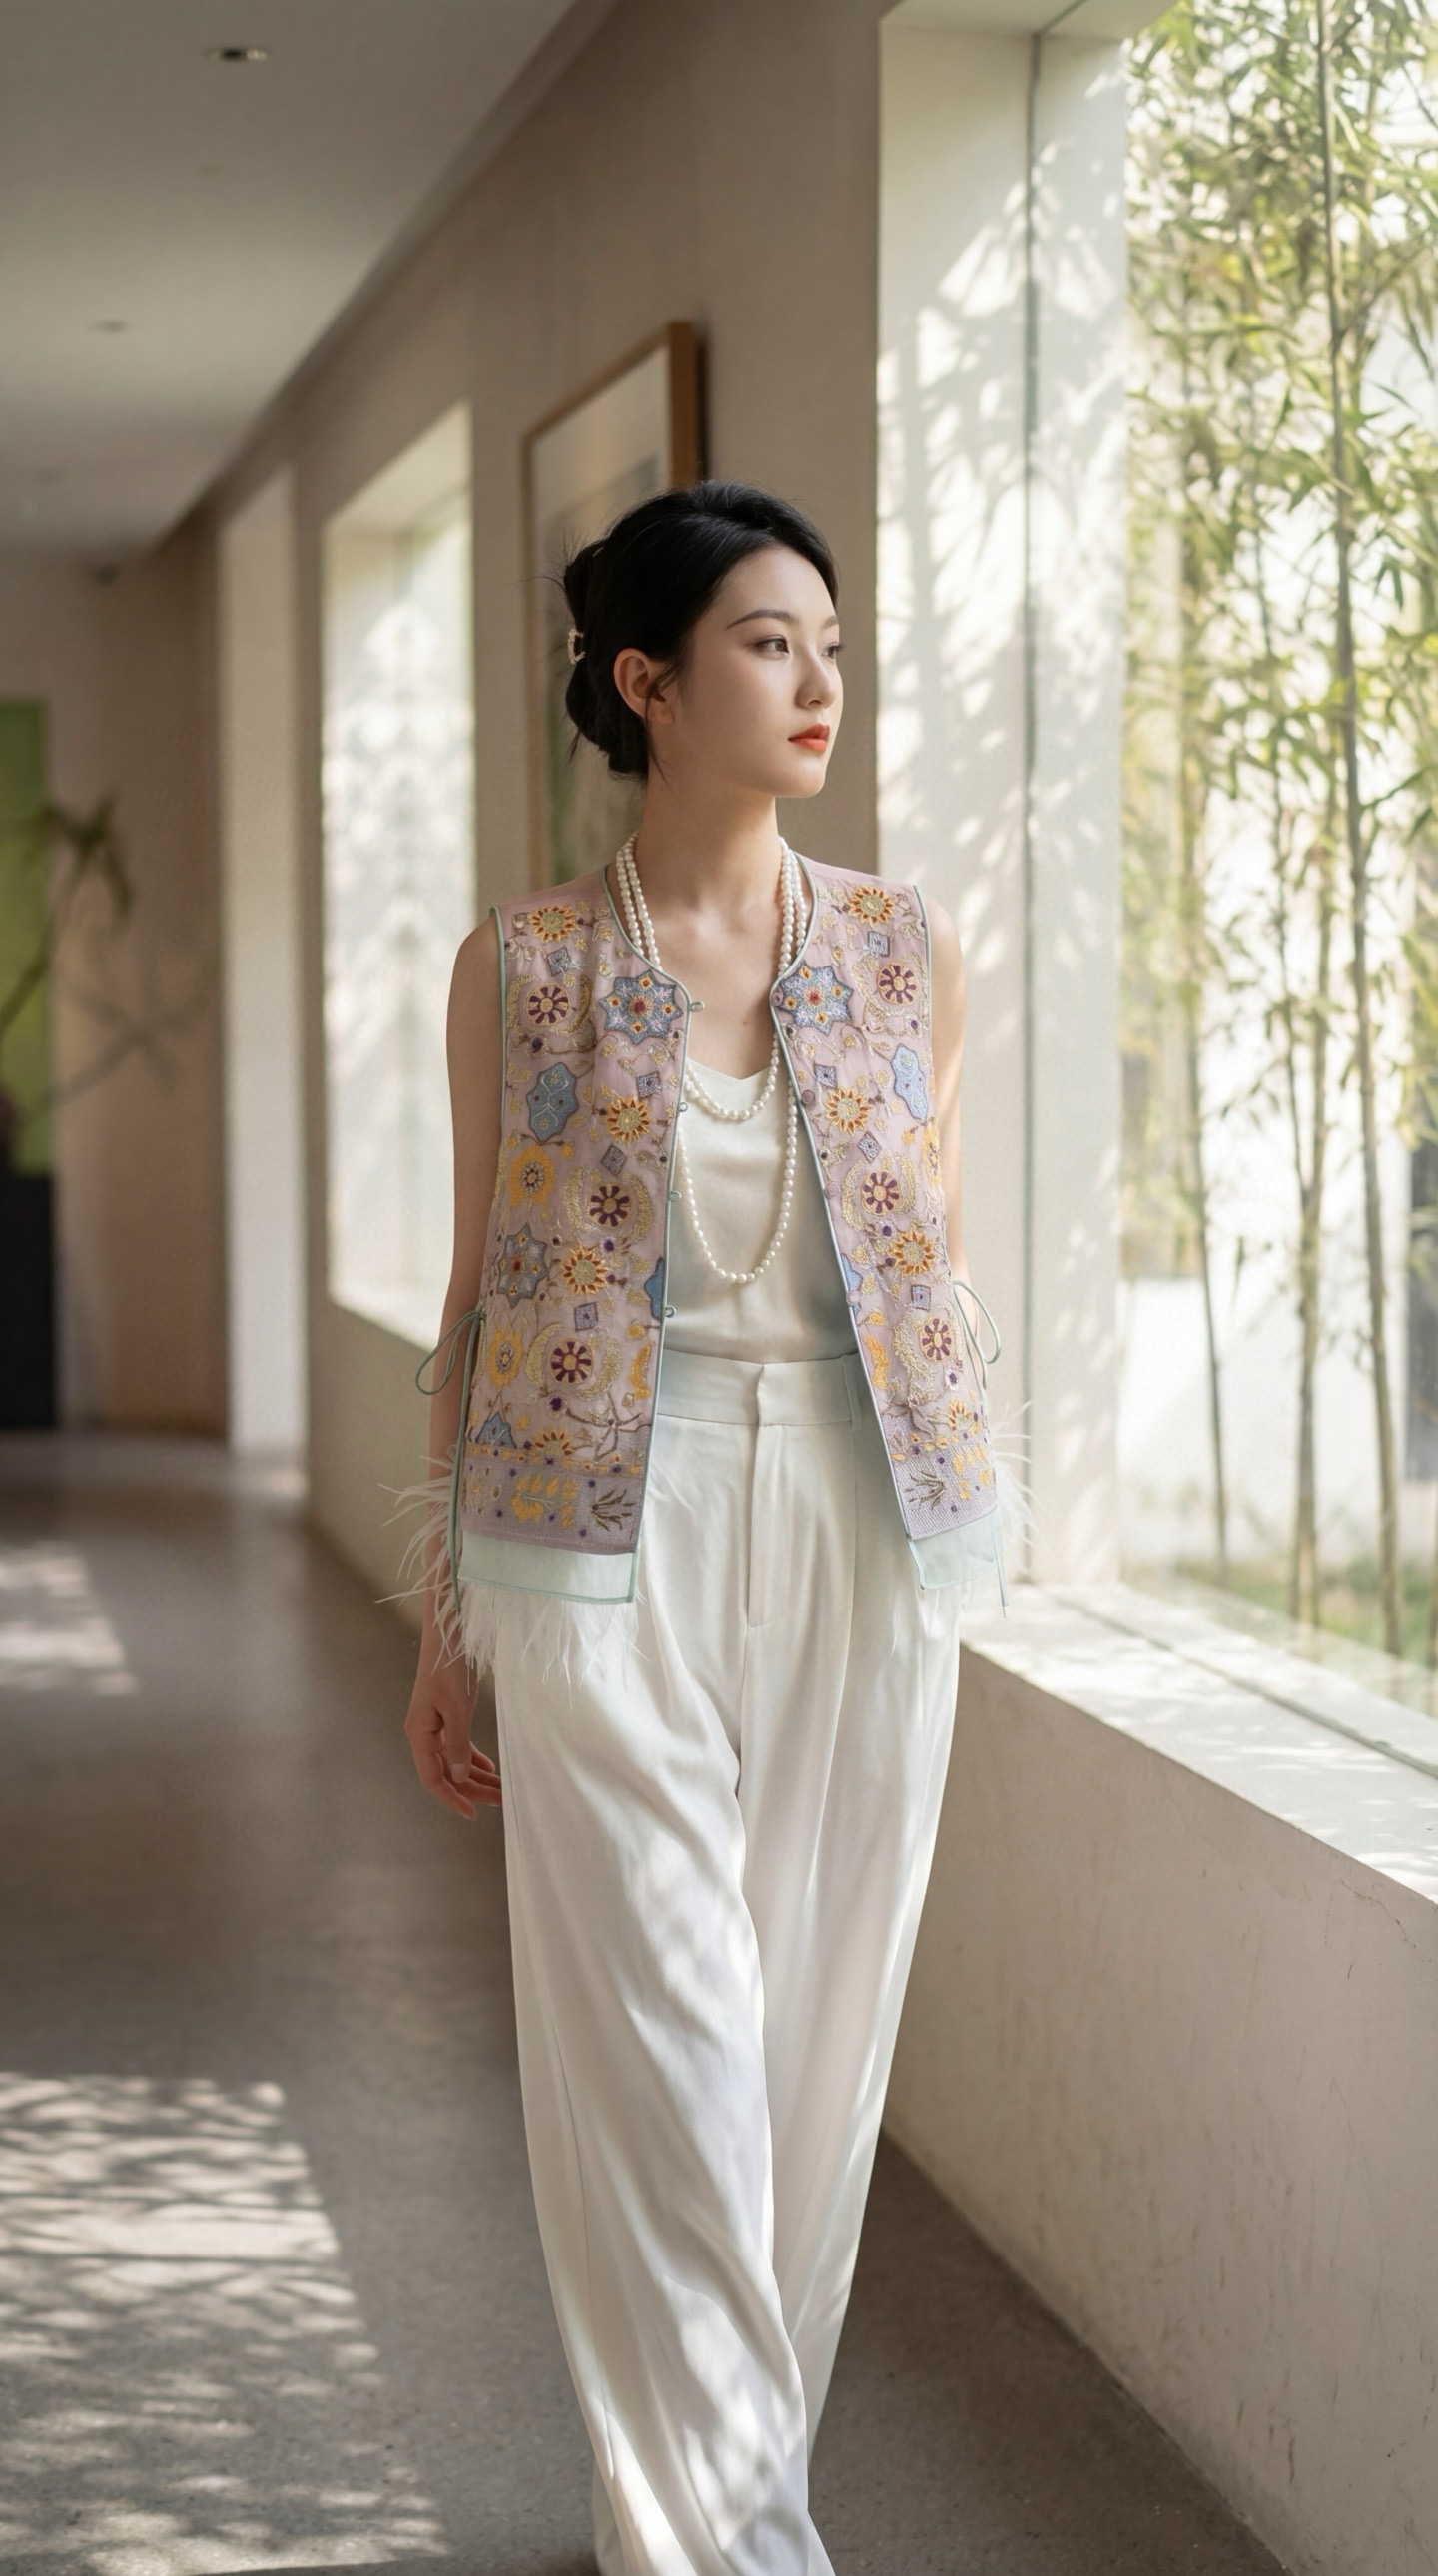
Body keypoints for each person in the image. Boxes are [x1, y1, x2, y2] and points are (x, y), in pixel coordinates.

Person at [400, 480, 1003, 2576]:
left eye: (829, 643)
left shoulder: (906, 952)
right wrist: (444, 1618)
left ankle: (694, 2521)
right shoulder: (527, 965)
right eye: (768, 641)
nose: (820, 680)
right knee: (671, 2058)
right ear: (648, 683)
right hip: (596, 1546)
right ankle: (752, 2553)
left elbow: (935, 1271)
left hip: (864, 1529)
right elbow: (476, 1301)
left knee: (813, 2074)